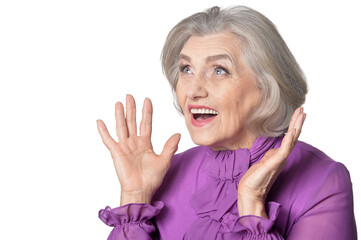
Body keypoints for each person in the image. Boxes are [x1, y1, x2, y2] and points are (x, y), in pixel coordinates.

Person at [96, 6, 357, 239]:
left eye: (219, 70)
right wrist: (134, 198)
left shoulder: (323, 182)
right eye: (186, 69)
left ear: (266, 86)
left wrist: (253, 207)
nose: (193, 90)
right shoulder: (166, 173)